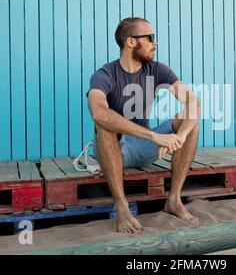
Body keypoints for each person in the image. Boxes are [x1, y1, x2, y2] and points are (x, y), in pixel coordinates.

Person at [86, 17, 201, 234]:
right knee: (104, 126)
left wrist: (180, 137)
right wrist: (155, 137)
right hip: (114, 150)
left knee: (190, 121)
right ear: (131, 42)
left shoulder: (157, 70)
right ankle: (121, 207)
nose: (154, 43)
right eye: (149, 37)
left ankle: (174, 200)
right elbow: (98, 112)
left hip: (142, 148)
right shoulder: (104, 75)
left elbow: (193, 102)